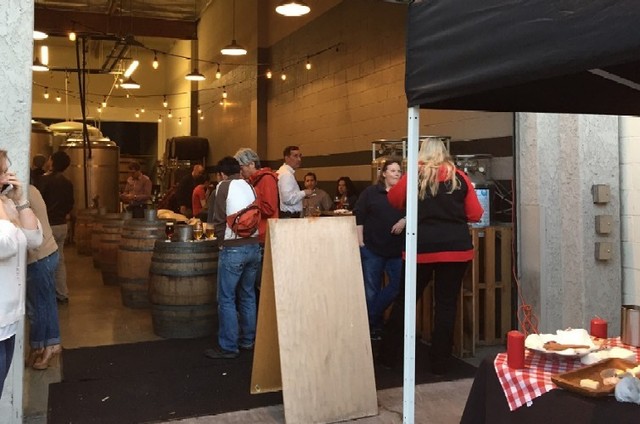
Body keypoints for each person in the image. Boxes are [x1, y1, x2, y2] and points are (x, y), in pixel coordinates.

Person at [378, 138, 483, 375]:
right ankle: (440, 363)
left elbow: (394, 200)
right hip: (456, 249)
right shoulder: (459, 177)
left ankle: (388, 356)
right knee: (446, 305)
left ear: (421, 153)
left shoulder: (414, 176)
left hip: (421, 249)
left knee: (406, 301)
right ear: (444, 152)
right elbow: (476, 213)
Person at [204, 157, 261, 359]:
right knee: (247, 294)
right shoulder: (250, 186)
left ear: (221, 174)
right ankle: (248, 340)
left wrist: (221, 244)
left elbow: (218, 220)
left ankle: (228, 346)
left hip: (233, 248)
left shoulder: (223, 187)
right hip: (254, 247)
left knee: (226, 298)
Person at [0, 150, 43, 396]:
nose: (8, 177)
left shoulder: (7, 204)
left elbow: (34, 239)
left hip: (8, 320)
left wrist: (20, 201)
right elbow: (3, 245)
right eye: (3, 172)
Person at [353, 160, 405, 339]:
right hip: (372, 248)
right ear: (383, 173)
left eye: (399, 171)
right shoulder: (371, 192)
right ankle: (374, 328)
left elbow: (417, 211)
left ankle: (370, 317)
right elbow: (359, 215)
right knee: (371, 290)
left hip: (396, 250)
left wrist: (404, 220)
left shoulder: (405, 194)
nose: (396, 173)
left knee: (398, 285)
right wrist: (360, 242)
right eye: (392, 170)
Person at [26, 184, 61, 370]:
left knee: (40, 306)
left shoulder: (21, 193)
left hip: (39, 256)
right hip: (47, 252)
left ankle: (47, 346)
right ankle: (42, 345)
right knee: (44, 303)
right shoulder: (31, 189)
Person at [35, 151, 74, 304]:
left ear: (52, 162)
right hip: (62, 225)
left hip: (47, 225)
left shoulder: (44, 180)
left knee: (43, 261)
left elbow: (38, 202)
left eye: (50, 159)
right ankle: (62, 293)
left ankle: (46, 295)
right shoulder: (67, 182)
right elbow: (70, 204)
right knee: (60, 261)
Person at [234, 148, 279, 244]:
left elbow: (269, 208)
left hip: (265, 233)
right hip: (256, 232)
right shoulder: (251, 181)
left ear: (252, 164)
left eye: (241, 168)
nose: (240, 172)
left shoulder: (267, 179)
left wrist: (250, 204)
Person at [276, 146, 313, 218]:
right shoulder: (286, 174)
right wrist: (304, 193)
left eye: (300, 156)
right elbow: (287, 199)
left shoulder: (283, 172)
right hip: (289, 216)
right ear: (287, 158)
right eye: (295, 156)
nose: (299, 159)